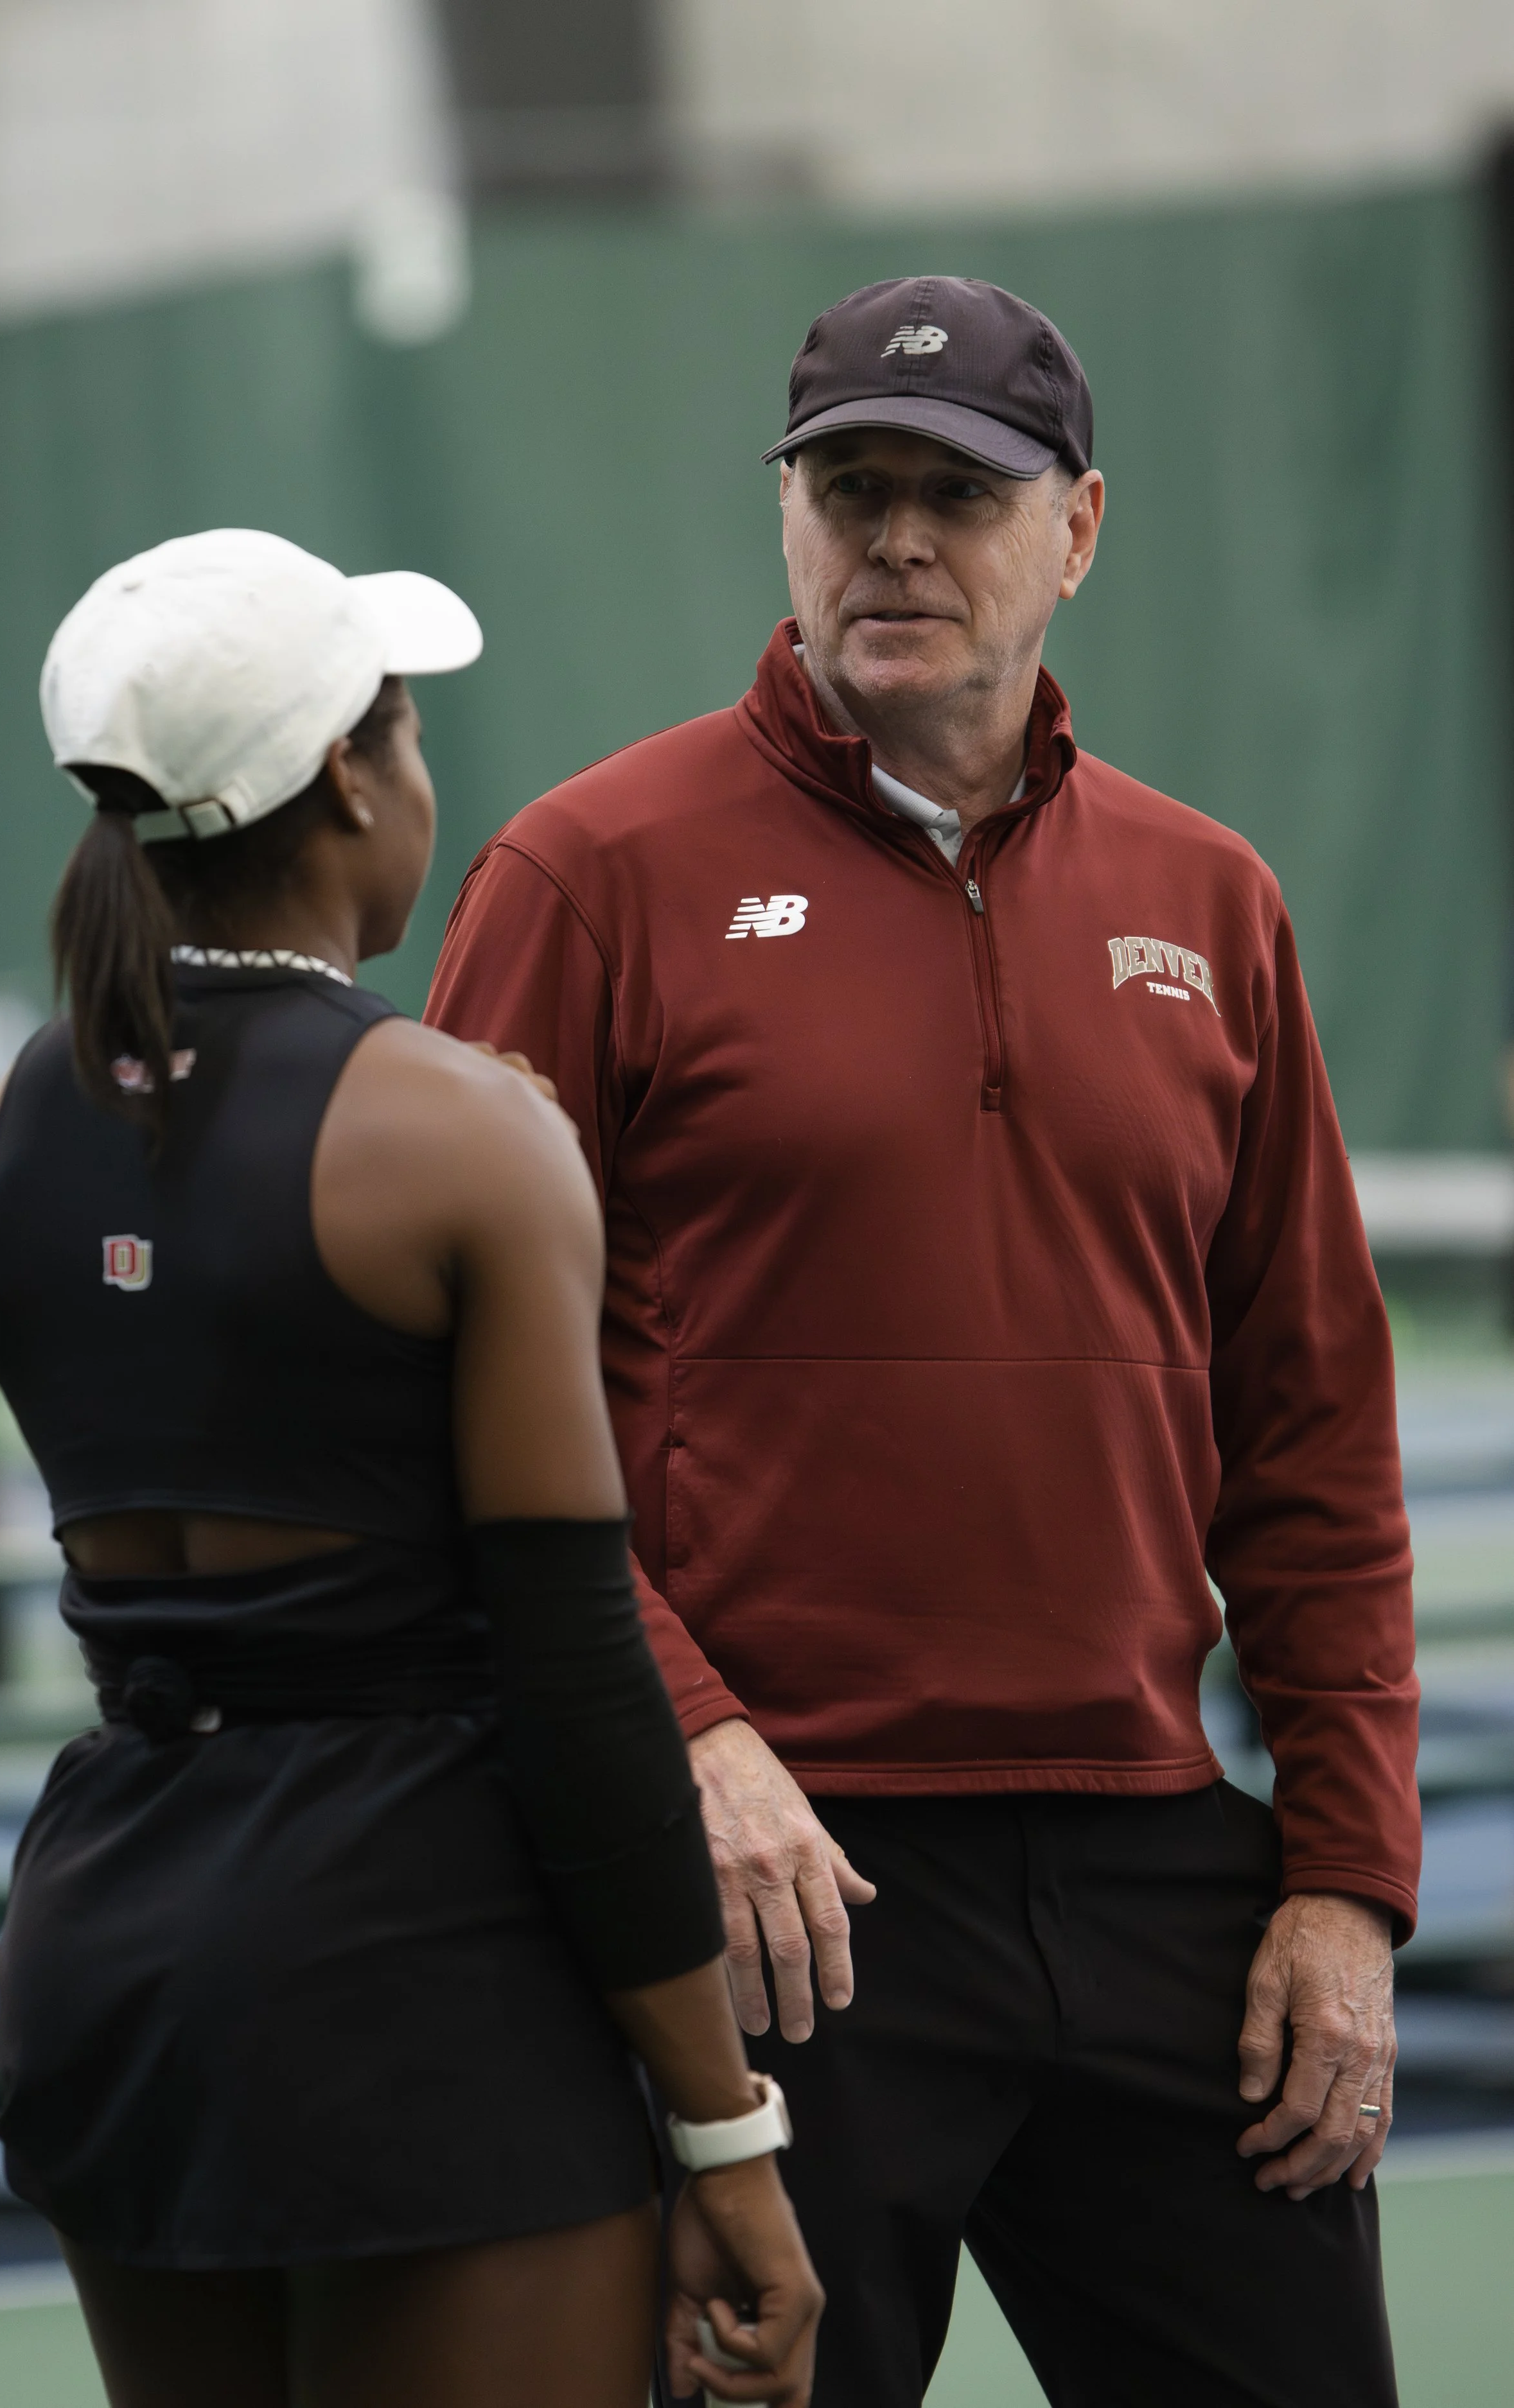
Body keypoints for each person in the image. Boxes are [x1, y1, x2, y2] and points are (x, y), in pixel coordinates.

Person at [424, 278, 1420, 2407]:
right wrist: (686, 1735)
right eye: (848, 488)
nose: (895, 541)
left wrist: (1342, 1877)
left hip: (1157, 1863)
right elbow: (443, 1402)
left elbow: (1313, 1425)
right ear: (784, 522)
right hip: (778, 1894)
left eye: (955, 495)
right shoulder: (586, 878)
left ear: (1075, 531)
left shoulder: (1214, 901)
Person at [0, 528, 821, 2408]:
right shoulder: (459, 1127)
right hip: (411, 1982)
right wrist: (720, 2127)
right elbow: (577, 1668)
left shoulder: (6, 1131)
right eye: (407, 726)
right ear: (352, 774)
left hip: (112, 1968)